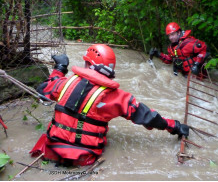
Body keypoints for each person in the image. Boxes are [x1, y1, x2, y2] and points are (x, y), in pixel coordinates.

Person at [30, 44, 189, 167]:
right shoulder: (116, 97)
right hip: (85, 158)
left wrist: (59, 68)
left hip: (52, 150)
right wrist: (174, 126)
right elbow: (148, 117)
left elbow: (43, 90)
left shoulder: (64, 83)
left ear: (88, 64)